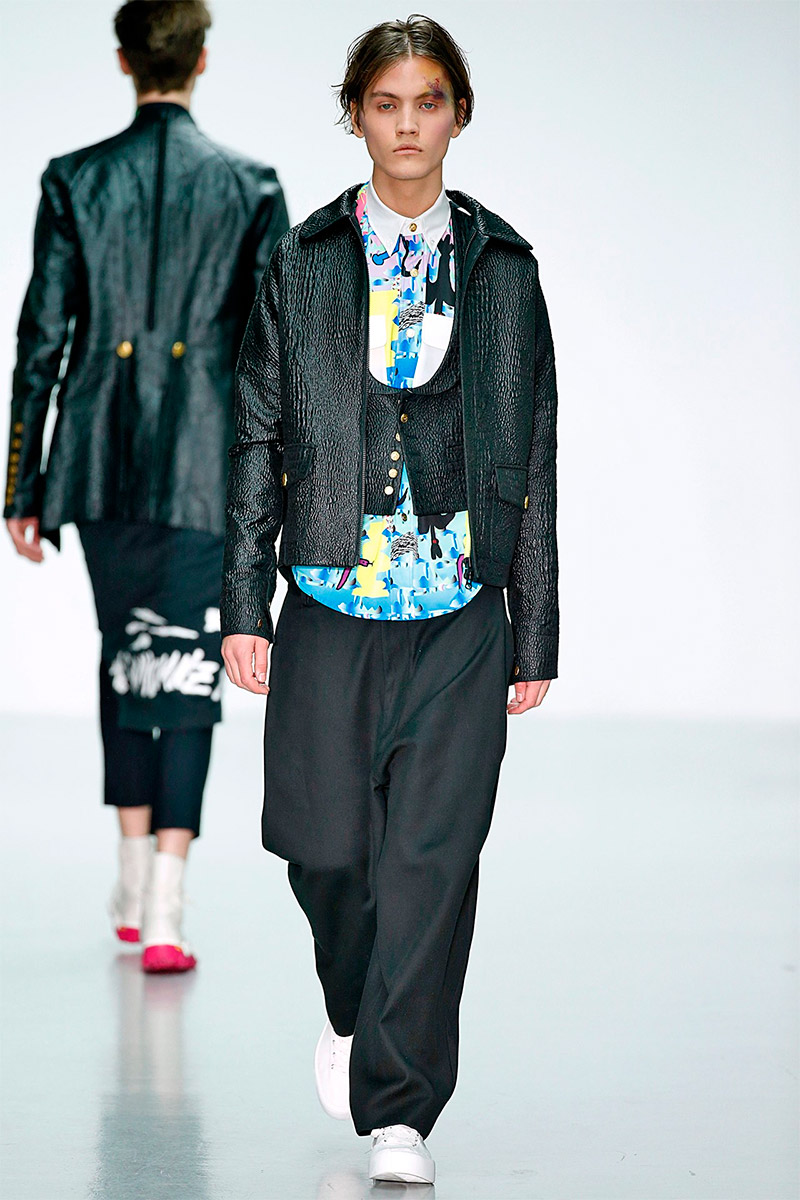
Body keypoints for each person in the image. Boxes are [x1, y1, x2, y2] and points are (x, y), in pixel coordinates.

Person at [221, 14, 558, 1185]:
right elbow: (254, 434)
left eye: (427, 102)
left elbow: (535, 451)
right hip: (327, 594)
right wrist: (243, 605)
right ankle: (350, 1004)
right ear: (355, 116)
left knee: (431, 861)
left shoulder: (505, 268)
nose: (406, 124)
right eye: (384, 103)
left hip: (460, 606)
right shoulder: (301, 260)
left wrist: (533, 622)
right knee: (321, 848)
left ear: (457, 114)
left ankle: (401, 1110)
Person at [4, 0, 289, 973]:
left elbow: (41, 339)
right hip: (210, 462)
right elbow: (276, 352)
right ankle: (165, 900)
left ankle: (135, 878)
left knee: (127, 650)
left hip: (100, 453)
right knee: (189, 661)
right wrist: (282, 478)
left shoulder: (74, 179)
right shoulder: (250, 186)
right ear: (202, 60)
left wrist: (22, 482)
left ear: (125, 60)